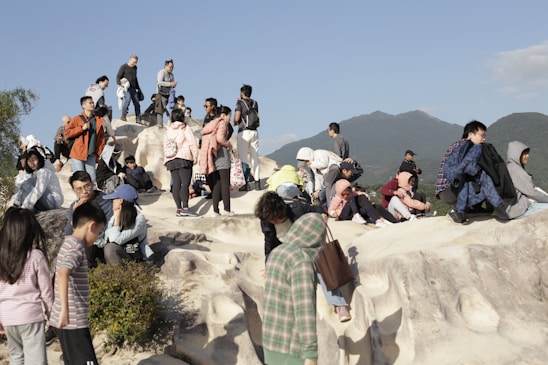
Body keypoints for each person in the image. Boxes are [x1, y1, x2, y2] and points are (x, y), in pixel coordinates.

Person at [255, 190, 352, 323]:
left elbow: (318, 209)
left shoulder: (297, 208)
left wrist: (323, 215)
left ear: (280, 210)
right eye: (269, 220)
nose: (273, 221)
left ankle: (340, 305)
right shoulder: (266, 219)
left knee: (323, 270)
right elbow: (269, 243)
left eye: (274, 218)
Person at [262, 213, 324, 365]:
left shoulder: (277, 252)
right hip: (291, 347)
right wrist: (310, 352)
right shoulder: (301, 261)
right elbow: (304, 310)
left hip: (270, 340)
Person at [50, 201, 107, 365]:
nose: (97, 237)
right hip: (73, 322)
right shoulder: (76, 247)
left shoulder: (68, 241)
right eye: (99, 231)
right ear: (92, 226)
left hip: (68, 321)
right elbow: (62, 274)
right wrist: (65, 312)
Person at [0, 207, 53, 365]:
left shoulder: (1, 258)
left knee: (16, 358)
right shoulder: (35, 257)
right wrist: (52, 314)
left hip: (8, 317)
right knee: (35, 360)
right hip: (30, 316)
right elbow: (46, 293)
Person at [441, 120, 509, 224]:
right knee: (485, 178)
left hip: (447, 190)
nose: (484, 138)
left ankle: (472, 208)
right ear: (471, 134)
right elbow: (468, 171)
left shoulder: (458, 146)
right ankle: (457, 210)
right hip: (450, 191)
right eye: (482, 135)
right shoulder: (467, 148)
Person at [65, 171, 113, 269]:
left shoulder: (105, 201)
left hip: (101, 244)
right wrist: (75, 215)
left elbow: (107, 228)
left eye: (87, 186)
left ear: (92, 184)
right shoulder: (74, 206)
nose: (84, 191)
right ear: (74, 191)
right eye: (79, 189)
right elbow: (68, 234)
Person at [102, 185, 154, 264]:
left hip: (136, 259)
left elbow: (115, 240)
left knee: (110, 248)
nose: (112, 201)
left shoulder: (139, 219)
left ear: (120, 201)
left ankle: (119, 275)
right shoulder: (114, 217)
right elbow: (106, 238)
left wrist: (117, 220)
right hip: (120, 255)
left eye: (114, 199)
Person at [200, 105, 234, 216]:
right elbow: (220, 138)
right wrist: (229, 145)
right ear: (224, 115)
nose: (229, 119)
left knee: (217, 184)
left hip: (211, 155)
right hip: (221, 154)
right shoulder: (222, 123)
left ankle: (215, 210)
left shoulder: (211, 124)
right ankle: (227, 210)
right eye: (229, 116)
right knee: (225, 183)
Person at [164, 108, 199, 216]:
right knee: (185, 184)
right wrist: (195, 156)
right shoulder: (185, 128)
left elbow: (165, 145)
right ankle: (185, 208)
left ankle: (179, 209)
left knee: (176, 184)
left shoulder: (168, 130)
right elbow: (192, 142)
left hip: (171, 160)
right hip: (184, 158)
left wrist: (166, 159)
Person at [65, 96, 107, 184]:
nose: (92, 104)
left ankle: (93, 198)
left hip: (91, 155)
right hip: (78, 153)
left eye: (93, 102)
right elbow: (67, 133)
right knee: (80, 180)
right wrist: (81, 128)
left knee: (92, 180)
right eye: (90, 103)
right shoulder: (77, 119)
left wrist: (98, 153)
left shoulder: (98, 120)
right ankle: (80, 198)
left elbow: (101, 139)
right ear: (83, 105)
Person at [503, 141, 548, 218]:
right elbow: (532, 192)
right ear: (517, 155)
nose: (527, 156)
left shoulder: (509, 168)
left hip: (510, 209)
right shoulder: (515, 170)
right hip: (517, 210)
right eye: (524, 154)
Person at [328, 179, 394, 227]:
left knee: (367, 207)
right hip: (343, 215)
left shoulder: (352, 194)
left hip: (352, 213)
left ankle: (377, 220)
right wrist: (334, 213)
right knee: (351, 199)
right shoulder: (337, 198)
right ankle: (356, 215)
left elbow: (360, 194)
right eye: (343, 195)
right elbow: (330, 209)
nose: (346, 196)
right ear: (340, 193)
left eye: (348, 194)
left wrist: (366, 196)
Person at [233, 84, 260, 190]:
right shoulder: (255, 103)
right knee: (255, 157)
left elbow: (237, 117)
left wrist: (234, 122)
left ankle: (244, 184)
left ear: (242, 93)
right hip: (254, 132)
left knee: (243, 158)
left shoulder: (239, 103)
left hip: (243, 132)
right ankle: (257, 182)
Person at [116, 55, 142, 123]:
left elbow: (135, 79)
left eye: (136, 62)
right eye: (133, 62)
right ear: (130, 60)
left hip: (133, 88)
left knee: (137, 103)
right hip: (125, 87)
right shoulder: (124, 66)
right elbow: (118, 76)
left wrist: (139, 88)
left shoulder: (135, 68)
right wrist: (120, 83)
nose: (134, 64)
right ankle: (123, 115)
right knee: (127, 99)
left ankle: (138, 119)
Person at [156, 59, 177, 126]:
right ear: (166, 66)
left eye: (172, 67)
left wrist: (173, 84)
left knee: (173, 107)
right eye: (170, 67)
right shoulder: (161, 72)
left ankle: (172, 122)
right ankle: (160, 124)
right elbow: (159, 82)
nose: (171, 68)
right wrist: (170, 84)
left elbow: (171, 84)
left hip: (169, 94)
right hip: (162, 93)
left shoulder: (171, 75)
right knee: (160, 109)